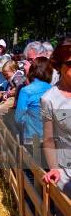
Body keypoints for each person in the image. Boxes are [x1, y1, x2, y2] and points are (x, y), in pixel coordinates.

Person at [41, 41, 71, 197]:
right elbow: (48, 140)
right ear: (60, 65)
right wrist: (53, 168)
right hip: (66, 175)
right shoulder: (49, 99)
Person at [15, 57, 53, 146]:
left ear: (32, 70)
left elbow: (18, 118)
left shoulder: (25, 90)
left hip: (32, 138)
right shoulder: (53, 90)